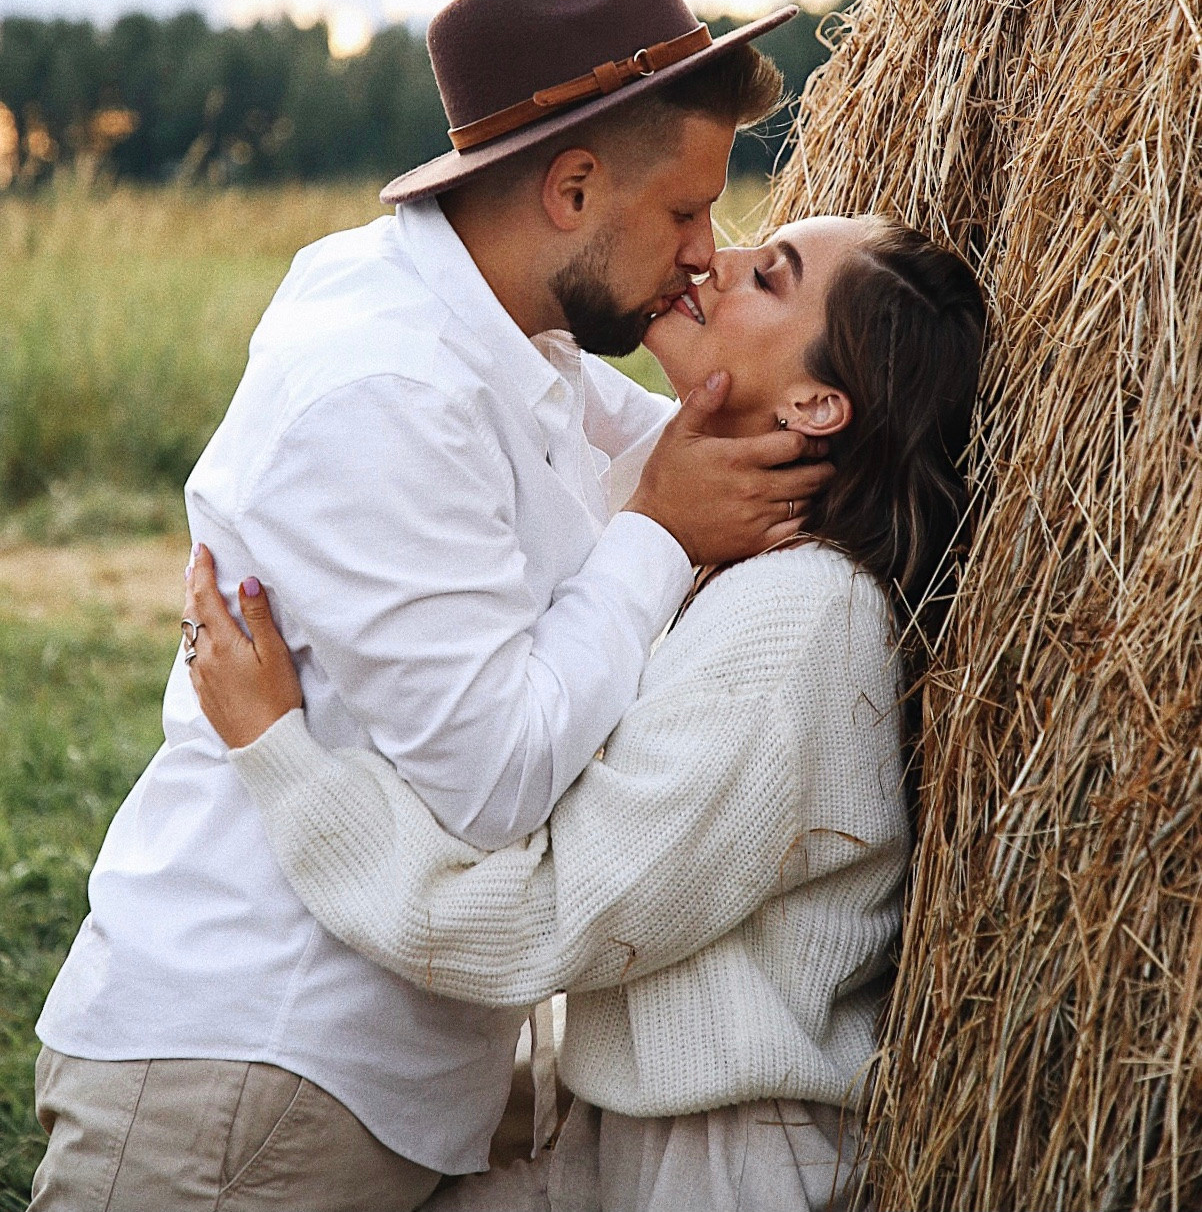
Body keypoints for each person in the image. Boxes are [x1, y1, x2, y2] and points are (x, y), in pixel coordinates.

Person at [30, 0, 835, 1212]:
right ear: (569, 191)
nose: (705, 250)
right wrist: (661, 536)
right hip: (255, 1070)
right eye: (685, 211)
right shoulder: (387, 387)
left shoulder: (508, 332)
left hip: (370, 1073)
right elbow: (495, 780)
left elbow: (665, 463)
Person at [184, 212, 986, 1212]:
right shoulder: (749, 574)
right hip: (636, 1145)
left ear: (817, 404)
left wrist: (281, 756)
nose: (712, 259)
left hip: (721, 1173)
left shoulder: (799, 619)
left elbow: (547, 915)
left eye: (766, 278)